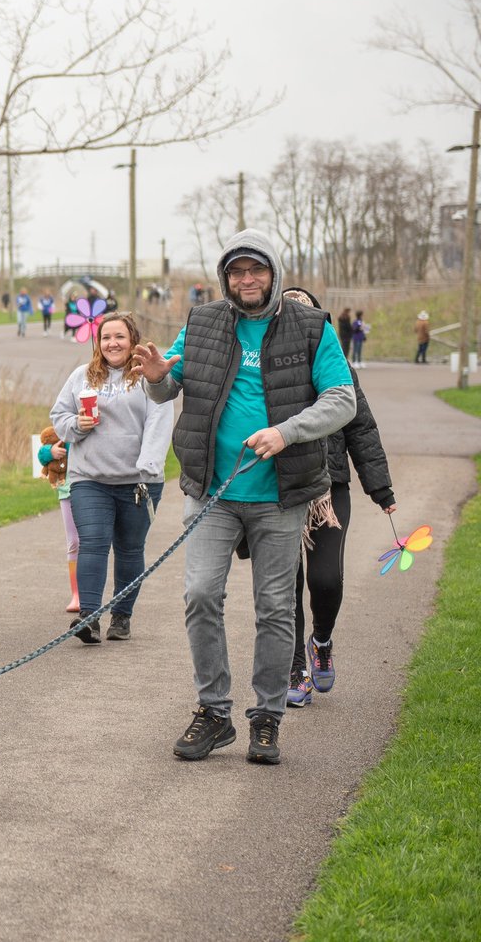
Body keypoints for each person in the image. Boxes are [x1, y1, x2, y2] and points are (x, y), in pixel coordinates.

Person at [129, 229, 356, 766]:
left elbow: (342, 399)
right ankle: (214, 712)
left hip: (281, 495)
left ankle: (267, 717)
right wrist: (159, 379)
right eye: (236, 272)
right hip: (212, 492)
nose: (246, 280)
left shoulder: (310, 327)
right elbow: (168, 385)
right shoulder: (204, 323)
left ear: (273, 273)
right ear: (225, 278)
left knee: (275, 608)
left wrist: (289, 431)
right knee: (201, 595)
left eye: (255, 270)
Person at [280, 288, 397, 708]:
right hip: (275, 489)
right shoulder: (261, 367)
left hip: (328, 490)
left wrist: (380, 487)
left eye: (305, 309)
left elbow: (361, 427)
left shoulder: (339, 368)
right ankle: (294, 670)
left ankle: (321, 641)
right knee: (284, 585)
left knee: (325, 579)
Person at [50, 313, 172, 643]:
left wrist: (148, 466)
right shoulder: (81, 377)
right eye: (105, 337)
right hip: (89, 477)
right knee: (93, 542)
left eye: (119, 336)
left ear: (132, 340)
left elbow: (160, 421)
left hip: (139, 480)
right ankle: (88, 617)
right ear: (97, 342)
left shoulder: (148, 377)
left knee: (130, 549)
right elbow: (58, 416)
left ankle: (122, 615)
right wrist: (77, 425)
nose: (112, 343)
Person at [37, 427, 80, 613]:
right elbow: (42, 451)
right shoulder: (62, 427)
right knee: (74, 542)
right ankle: (76, 595)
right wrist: (51, 452)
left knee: (93, 543)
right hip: (66, 491)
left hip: (91, 488)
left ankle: (91, 592)